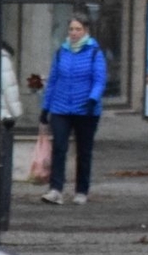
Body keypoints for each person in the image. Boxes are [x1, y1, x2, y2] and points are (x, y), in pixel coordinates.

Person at [38, 16, 108, 205]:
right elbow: (53, 80)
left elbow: (99, 79)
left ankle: (81, 191)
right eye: (71, 29)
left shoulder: (94, 52)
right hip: (60, 108)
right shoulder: (61, 52)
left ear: (85, 30)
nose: (74, 33)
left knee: (84, 151)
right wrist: (45, 108)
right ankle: (55, 190)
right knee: (59, 148)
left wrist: (92, 99)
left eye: (77, 29)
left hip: (86, 109)